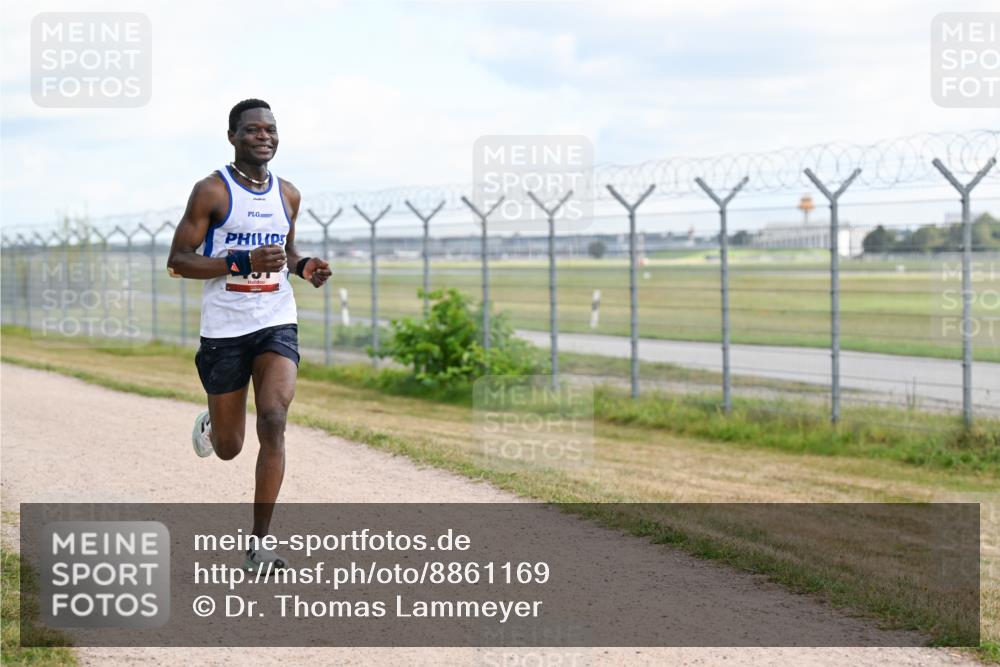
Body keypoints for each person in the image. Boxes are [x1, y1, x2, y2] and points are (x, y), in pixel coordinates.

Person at [166, 98, 331, 571]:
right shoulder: (211, 192)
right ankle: (213, 425)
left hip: (276, 319)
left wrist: (304, 267)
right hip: (225, 330)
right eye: (254, 130)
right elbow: (178, 261)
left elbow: (285, 250)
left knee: (274, 420)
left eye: (271, 130)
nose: (265, 136)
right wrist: (240, 262)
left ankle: (259, 543)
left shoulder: (289, 194)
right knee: (230, 447)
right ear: (233, 137)